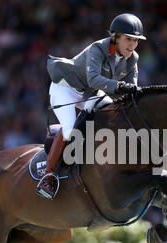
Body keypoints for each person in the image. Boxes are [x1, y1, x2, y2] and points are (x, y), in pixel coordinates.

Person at [36, 13, 147, 199]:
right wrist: (120, 87)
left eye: (136, 41)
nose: (132, 45)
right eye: (128, 39)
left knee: (114, 114)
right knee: (71, 129)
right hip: (65, 88)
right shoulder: (98, 48)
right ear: (115, 37)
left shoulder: (132, 58)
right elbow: (94, 79)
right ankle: (48, 175)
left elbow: (132, 88)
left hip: (89, 93)